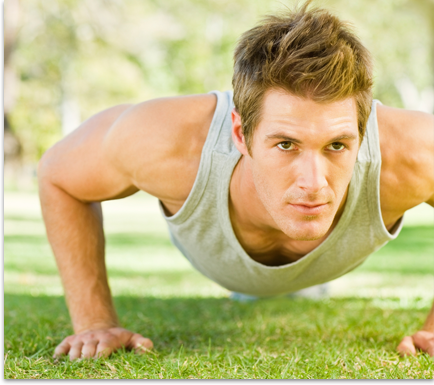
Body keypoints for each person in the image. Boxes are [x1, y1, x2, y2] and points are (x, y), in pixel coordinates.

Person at [38, 2, 434, 360]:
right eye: (285, 144)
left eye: (336, 145)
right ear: (241, 135)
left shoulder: (412, 151)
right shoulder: (164, 142)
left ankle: (303, 283)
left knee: (301, 290)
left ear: (362, 135)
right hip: (215, 251)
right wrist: (94, 323)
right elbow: (58, 173)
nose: (314, 182)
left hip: (329, 262)